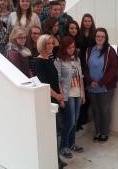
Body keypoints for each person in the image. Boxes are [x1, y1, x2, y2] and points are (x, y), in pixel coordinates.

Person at [34, 34, 67, 169]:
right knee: (53, 132)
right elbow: (44, 84)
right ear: (42, 45)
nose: (51, 46)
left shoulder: (50, 59)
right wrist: (57, 96)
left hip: (56, 98)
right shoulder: (38, 62)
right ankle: (54, 160)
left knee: (58, 130)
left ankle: (56, 158)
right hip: (49, 101)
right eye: (48, 44)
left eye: (52, 43)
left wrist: (60, 95)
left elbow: (55, 79)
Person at [84, 28, 117, 142]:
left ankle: (104, 133)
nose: (100, 38)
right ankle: (97, 132)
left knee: (104, 110)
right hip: (91, 87)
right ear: (95, 37)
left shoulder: (110, 51)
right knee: (95, 110)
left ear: (105, 38)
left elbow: (113, 69)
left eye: (102, 36)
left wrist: (101, 83)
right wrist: (90, 81)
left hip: (105, 88)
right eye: (98, 36)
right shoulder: (89, 50)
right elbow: (85, 68)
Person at [54, 36, 85, 159]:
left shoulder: (77, 59)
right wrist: (61, 97)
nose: (72, 49)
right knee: (70, 121)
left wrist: (83, 94)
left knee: (75, 120)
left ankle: (72, 144)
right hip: (68, 95)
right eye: (69, 47)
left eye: (73, 47)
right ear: (64, 48)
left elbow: (81, 78)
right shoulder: (59, 60)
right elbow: (57, 81)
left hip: (78, 93)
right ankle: (63, 147)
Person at [76, 13, 96, 130]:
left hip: (91, 65)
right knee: (81, 92)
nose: (87, 23)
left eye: (89, 21)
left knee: (88, 93)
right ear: (82, 22)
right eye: (85, 21)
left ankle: (86, 117)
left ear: (92, 22)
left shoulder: (94, 34)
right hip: (80, 64)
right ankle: (81, 118)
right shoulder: (79, 34)